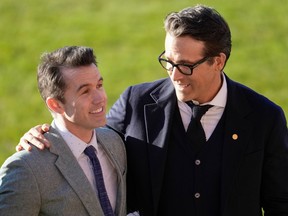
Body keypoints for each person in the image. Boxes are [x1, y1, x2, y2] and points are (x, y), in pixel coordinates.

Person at [16, 5, 288, 216]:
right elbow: (92, 141)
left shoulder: (264, 117)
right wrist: (49, 132)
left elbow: (280, 203)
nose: (174, 75)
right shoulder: (137, 102)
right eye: (168, 61)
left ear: (218, 61)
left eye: (185, 66)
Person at [0, 46, 127, 216]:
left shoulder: (114, 142)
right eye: (85, 91)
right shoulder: (26, 169)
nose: (100, 98)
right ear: (55, 104)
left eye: (99, 85)